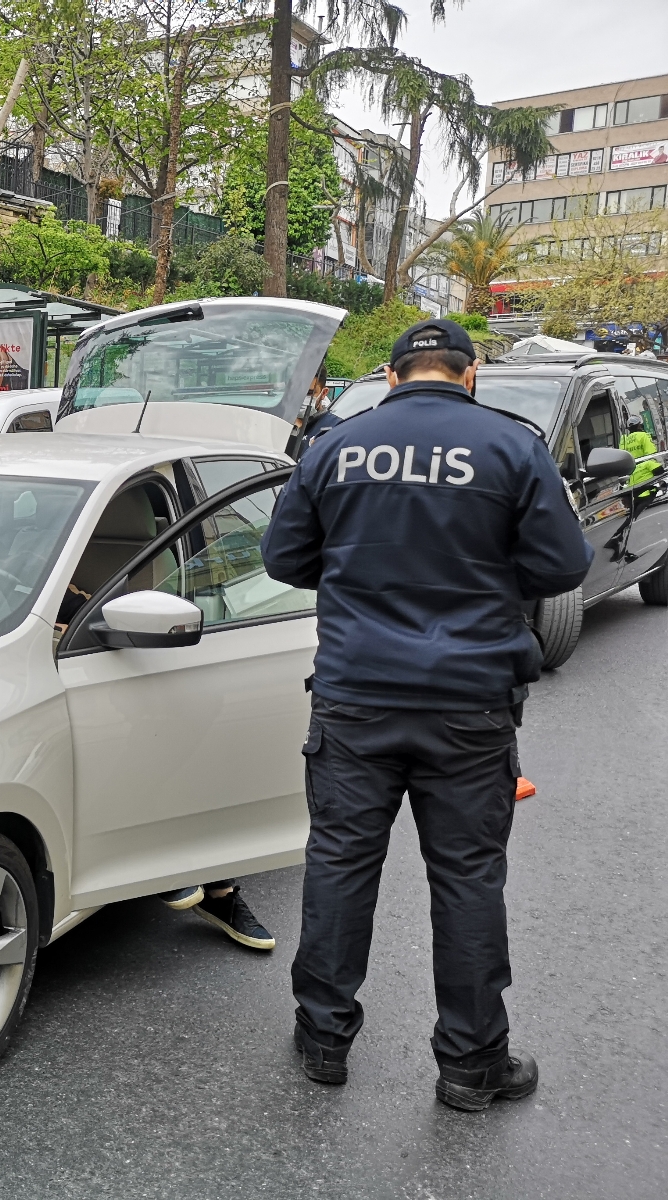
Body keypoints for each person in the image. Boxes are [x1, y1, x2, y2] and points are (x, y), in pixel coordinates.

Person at [261, 318, 592, 1111]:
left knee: (340, 868)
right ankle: (472, 1066)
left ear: (389, 373)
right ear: (470, 375)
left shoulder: (339, 447)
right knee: (469, 881)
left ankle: (322, 1041)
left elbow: (283, 559)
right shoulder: (511, 447)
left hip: (355, 697)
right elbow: (564, 564)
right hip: (469, 705)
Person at [621, 413, 662, 488]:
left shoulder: (623, 440)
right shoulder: (644, 436)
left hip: (630, 479)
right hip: (646, 477)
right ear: (639, 425)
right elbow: (651, 455)